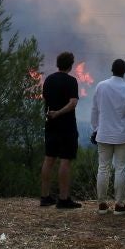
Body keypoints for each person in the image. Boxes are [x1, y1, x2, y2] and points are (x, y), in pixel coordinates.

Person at [91, 58, 125, 215]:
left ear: (111, 70)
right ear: (124, 71)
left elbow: (95, 110)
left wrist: (95, 129)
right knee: (121, 169)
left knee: (103, 168)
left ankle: (102, 205)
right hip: (123, 136)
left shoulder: (101, 86)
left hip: (103, 134)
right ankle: (120, 205)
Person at [40, 51, 82, 209]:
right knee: (65, 160)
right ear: (71, 65)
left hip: (50, 124)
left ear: (58, 64)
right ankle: (63, 199)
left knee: (49, 158)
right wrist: (59, 113)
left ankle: (45, 197)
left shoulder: (48, 80)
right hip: (67, 126)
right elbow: (73, 103)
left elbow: (45, 98)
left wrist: (53, 113)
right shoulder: (71, 81)